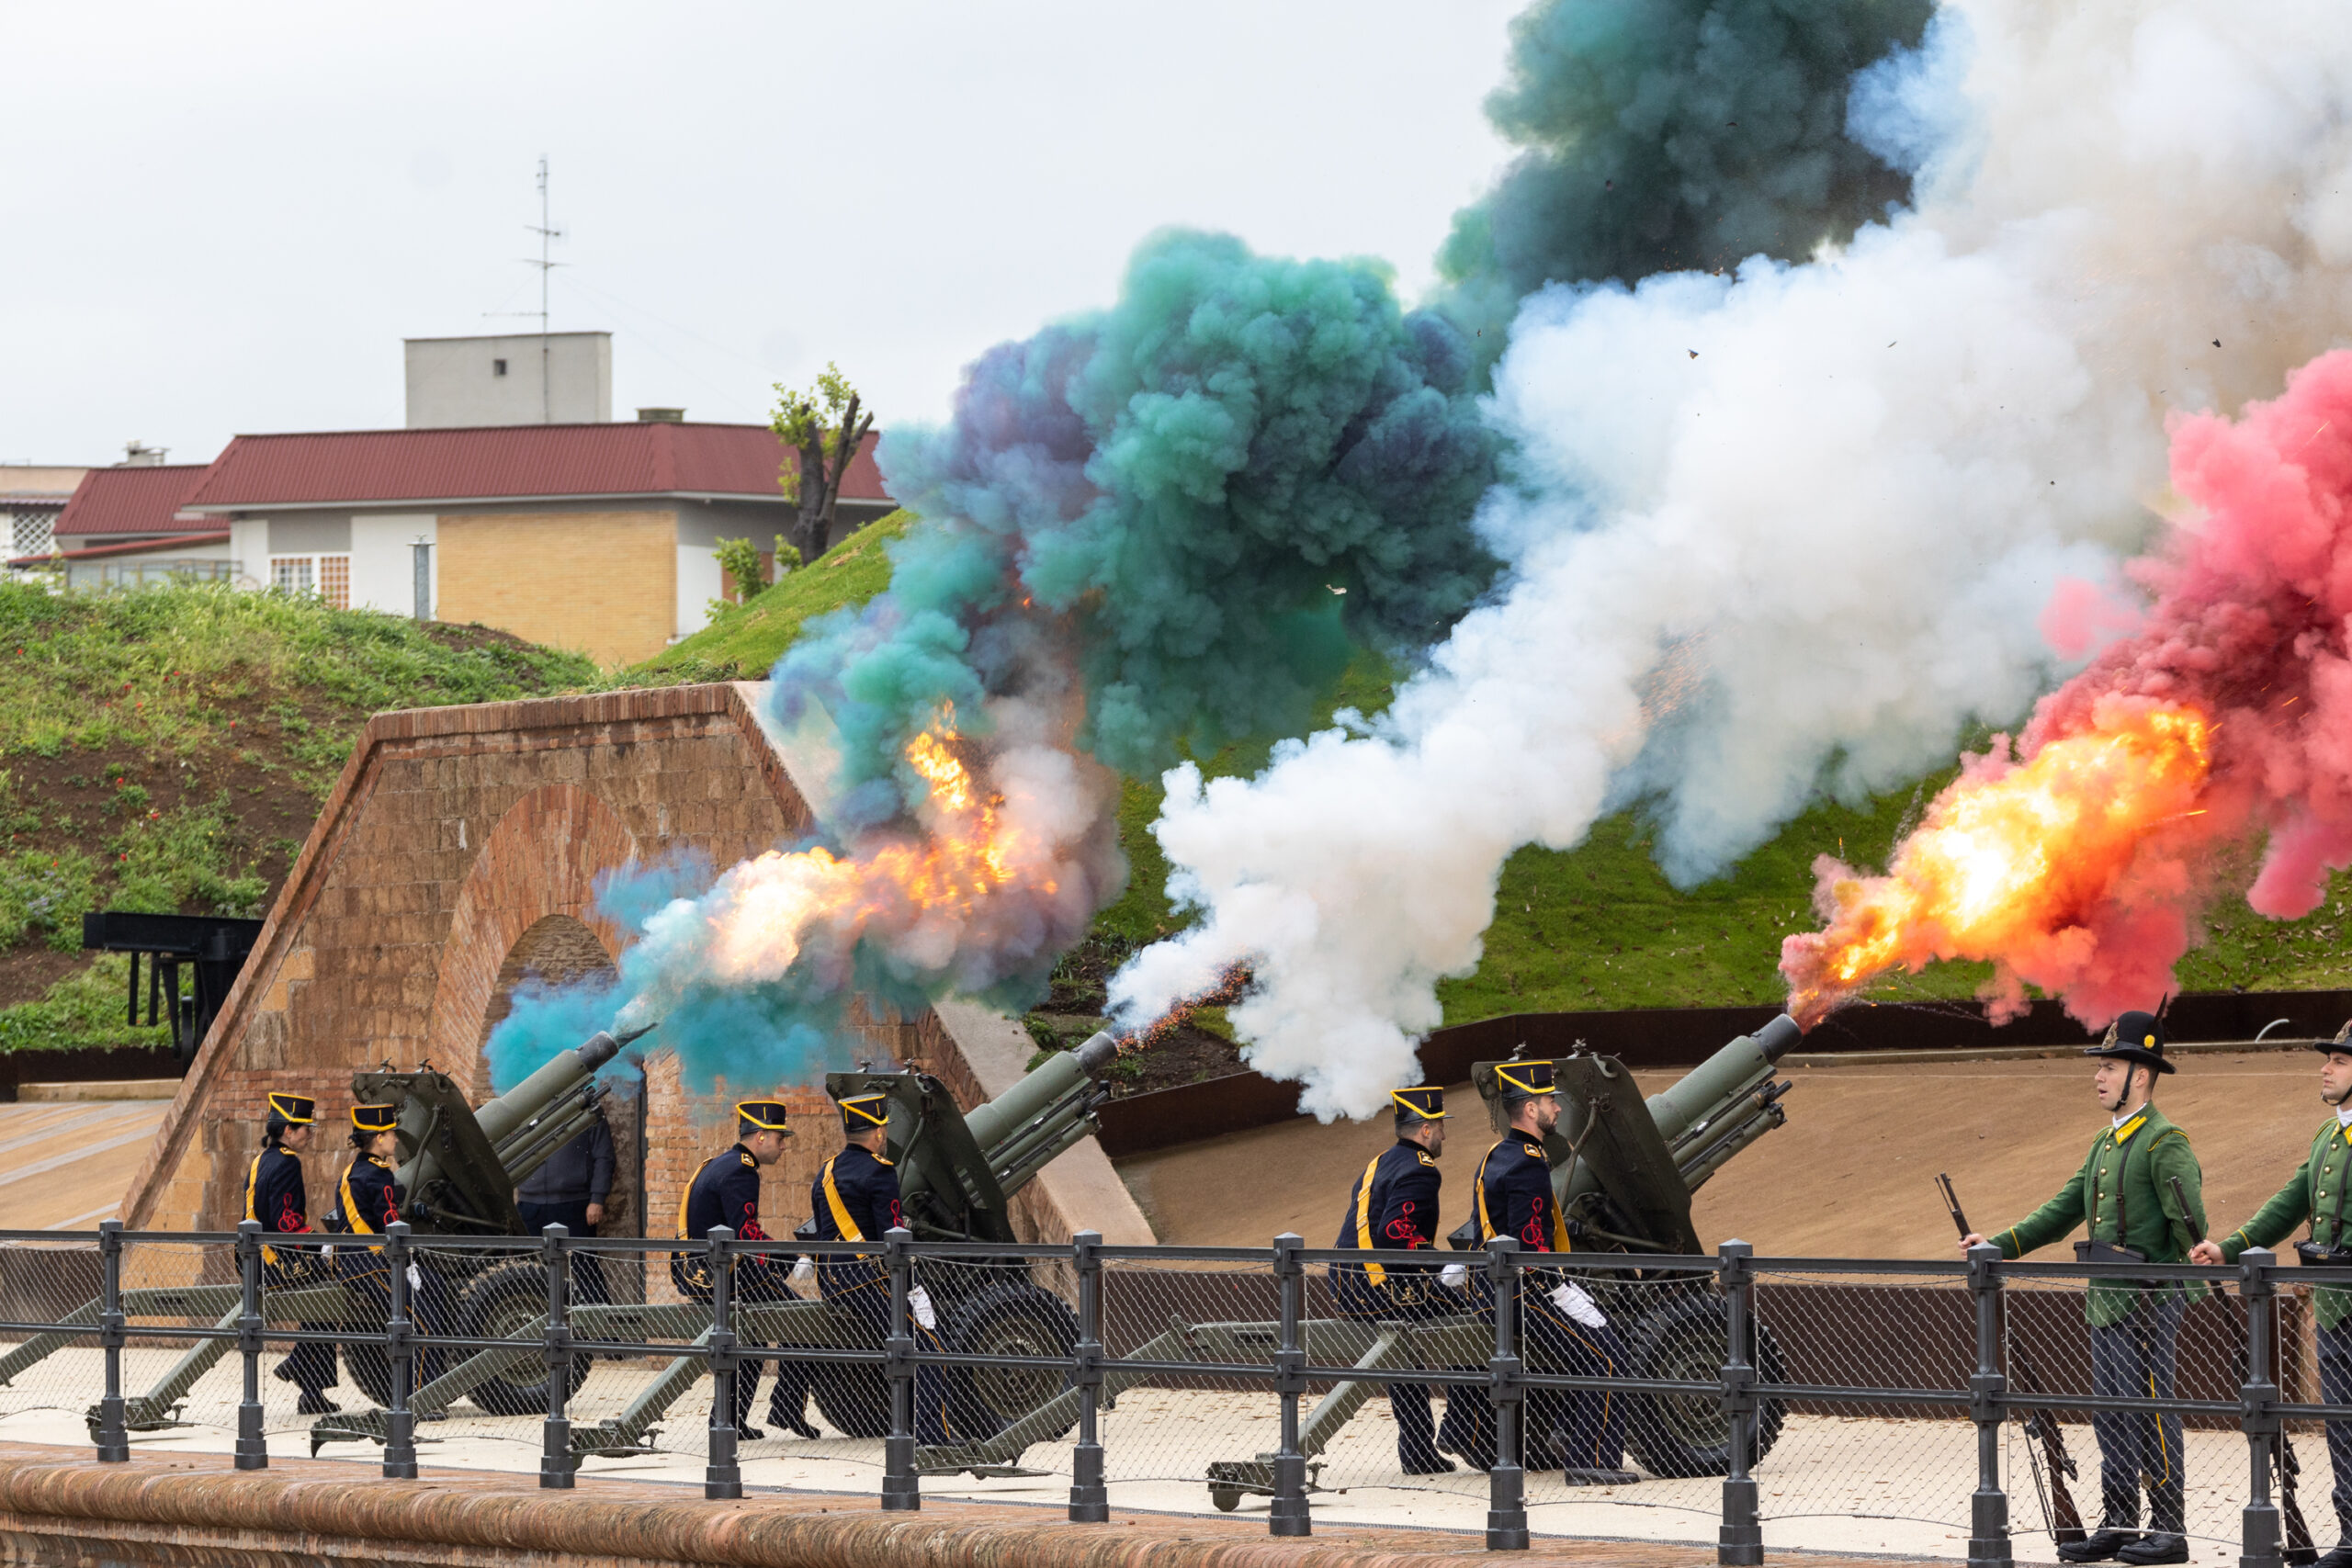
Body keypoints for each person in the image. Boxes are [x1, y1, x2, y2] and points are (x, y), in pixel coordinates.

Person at [1962, 1010, 2206, 1567]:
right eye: (2101, 1066)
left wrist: (2170, 1288)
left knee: (2151, 1410)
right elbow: (2063, 1209)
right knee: (2110, 1414)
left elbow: (2191, 1229)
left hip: (2147, 1301)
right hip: (2105, 1302)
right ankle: (2119, 1522)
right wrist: (1996, 1244)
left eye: (2112, 1066)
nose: (2099, 1075)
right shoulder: (2105, 1143)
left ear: (2141, 1075)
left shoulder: (2164, 1143)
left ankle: (2169, 1528)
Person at [2192, 1020, 2352, 1568]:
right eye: (2329, 1058)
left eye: (2340, 1061)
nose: (2326, 1068)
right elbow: (2290, 1202)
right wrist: (2231, 1247)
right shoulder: (2330, 1136)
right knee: (2343, 1426)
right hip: (2336, 1306)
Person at [1465, 1060, 1635, 1486]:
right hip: (1523, 1291)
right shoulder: (1526, 1162)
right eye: (1549, 1101)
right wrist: (1556, 1288)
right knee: (1608, 1359)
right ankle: (1590, 1460)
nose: (1557, 1109)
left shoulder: (1497, 1154)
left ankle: (1567, 1431)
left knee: (1591, 1351)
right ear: (1529, 1110)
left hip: (1501, 1288)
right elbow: (1528, 1242)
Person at [1328, 1085, 1478, 1474]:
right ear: (1425, 1130)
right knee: (1475, 1323)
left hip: (1349, 1283)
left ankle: (1416, 1452)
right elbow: (1397, 1233)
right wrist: (1441, 1267)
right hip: (1380, 1287)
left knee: (1404, 1355)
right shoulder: (1420, 1170)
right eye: (1440, 1126)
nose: (1444, 1133)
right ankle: (1459, 1428)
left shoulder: (1381, 1161)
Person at [808, 1089, 955, 1443]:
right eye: (884, 1129)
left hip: (831, 1279)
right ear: (878, 1133)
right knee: (929, 1346)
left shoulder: (826, 1172)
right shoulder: (880, 1171)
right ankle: (932, 1435)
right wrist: (913, 1284)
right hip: (867, 1280)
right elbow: (891, 1238)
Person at [670, 1100, 817, 1439]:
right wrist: (792, 1260)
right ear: (761, 1136)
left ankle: (728, 1420)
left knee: (751, 1339)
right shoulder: (741, 1171)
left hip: (699, 1270)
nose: (784, 1145)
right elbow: (745, 1232)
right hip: (718, 1274)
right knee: (802, 1318)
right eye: (779, 1137)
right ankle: (787, 1409)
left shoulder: (722, 1163)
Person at [328, 1102, 452, 1404]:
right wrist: (407, 1264)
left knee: (436, 1290)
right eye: (391, 1134)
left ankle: (433, 1384)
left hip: (353, 1260)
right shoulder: (378, 1176)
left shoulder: (353, 1171)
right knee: (423, 1321)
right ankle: (422, 1398)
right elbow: (389, 1226)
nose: (396, 1139)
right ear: (379, 1138)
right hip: (370, 1263)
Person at [247, 1092, 337, 1415]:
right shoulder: (287, 1163)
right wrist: (323, 1245)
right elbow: (287, 1223)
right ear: (287, 1130)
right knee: (333, 1294)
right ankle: (302, 1367)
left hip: (253, 1260)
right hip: (275, 1263)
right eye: (305, 1128)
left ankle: (308, 1384)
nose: (310, 1134)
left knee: (322, 1305)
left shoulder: (262, 1159)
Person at [515, 1109, 616, 1304]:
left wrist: (597, 1199)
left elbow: (604, 1157)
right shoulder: (528, 1105)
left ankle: (602, 1331)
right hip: (530, 1205)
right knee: (528, 1271)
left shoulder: (588, 1109)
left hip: (573, 1204)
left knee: (586, 1270)